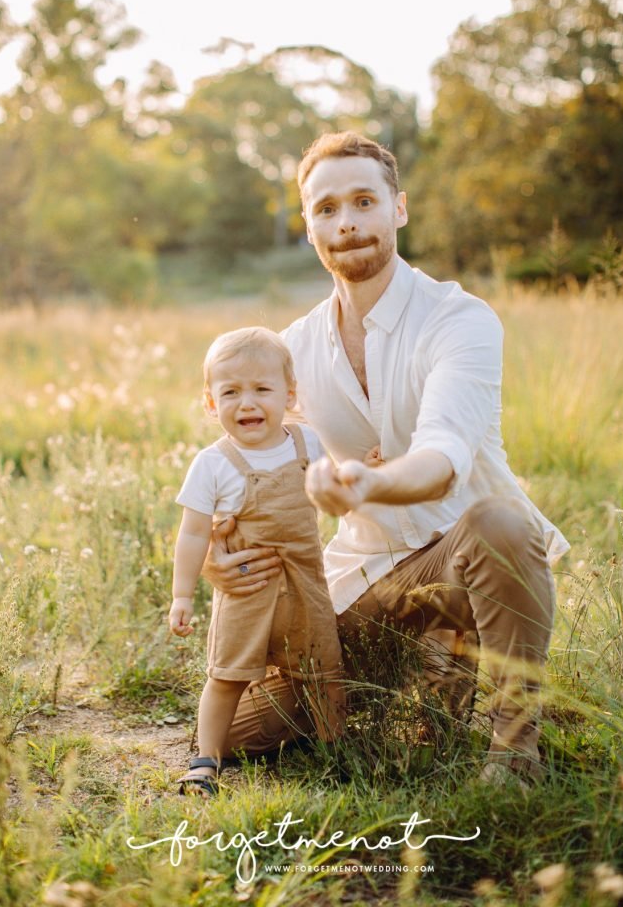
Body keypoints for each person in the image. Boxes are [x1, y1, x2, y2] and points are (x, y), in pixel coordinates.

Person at [203, 131, 570, 789]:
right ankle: (421, 672)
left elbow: (440, 459)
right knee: (232, 736)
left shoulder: (459, 321)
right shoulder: (292, 350)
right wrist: (218, 549)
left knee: (502, 523)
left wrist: (369, 480)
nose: (346, 222)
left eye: (364, 201)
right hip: (367, 581)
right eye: (326, 209)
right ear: (309, 225)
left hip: (467, 566)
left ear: (397, 208)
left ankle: (514, 752)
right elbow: (250, 467)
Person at [169, 326, 345, 796]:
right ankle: (206, 760)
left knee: (323, 669)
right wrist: (182, 595)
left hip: (306, 585)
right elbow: (192, 533)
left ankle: (337, 748)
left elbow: (338, 494)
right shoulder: (214, 463)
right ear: (210, 404)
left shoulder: (308, 446)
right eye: (230, 392)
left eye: (262, 390)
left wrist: (364, 471)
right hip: (248, 589)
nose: (247, 403)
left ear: (289, 396)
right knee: (226, 673)